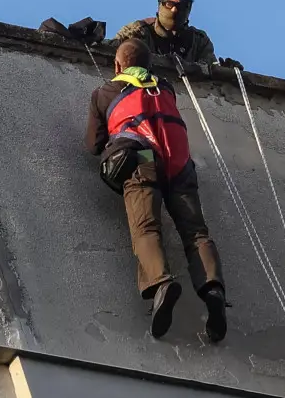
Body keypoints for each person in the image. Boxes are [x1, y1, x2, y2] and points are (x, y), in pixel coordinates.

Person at [85, 39, 228, 341]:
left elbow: (94, 144)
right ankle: (212, 287)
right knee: (196, 233)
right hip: (180, 163)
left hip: (142, 161)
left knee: (146, 228)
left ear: (117, 66)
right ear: (148, 66)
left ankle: (161, 283)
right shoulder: (165, 88)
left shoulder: (104, 92)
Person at [111, 0, 238, 68]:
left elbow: (210, 71)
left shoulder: (198, 42)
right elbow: (110, 51)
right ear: (160, 3)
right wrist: (93, 36)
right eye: (169, 4)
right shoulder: (138, 32)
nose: (174, 10)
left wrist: (228, 72)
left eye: (182, 6)